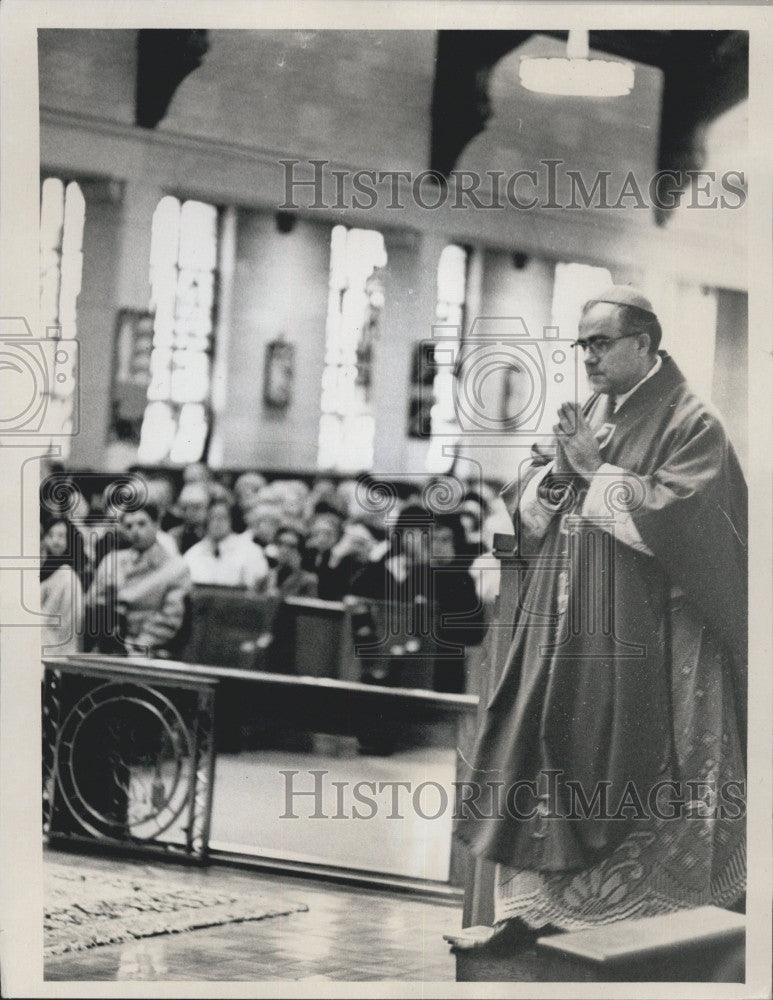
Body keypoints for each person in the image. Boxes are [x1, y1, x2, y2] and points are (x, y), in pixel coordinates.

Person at [446, 286, 747, 951]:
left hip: (661, 642)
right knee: (542, 745)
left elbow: (686, 521)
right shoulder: (590, 409)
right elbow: (531, 500)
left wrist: (596, 472)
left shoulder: (692, 421)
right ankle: (540, 912)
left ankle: (647, 925)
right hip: (570, 625)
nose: (586, 356)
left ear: (644, 344)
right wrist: (557, 475)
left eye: (600, 342)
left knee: (637, 767)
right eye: (581, 343)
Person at [87, 502, 192, 657]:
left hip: (147, 648)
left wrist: (137, 646)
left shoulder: (176, 568)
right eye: (129, 526)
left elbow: (169, 619)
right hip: (107, 643)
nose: (135, 531)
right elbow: (92, 602)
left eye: (142, 524)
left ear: (156, 525)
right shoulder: (112, 560)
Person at [185, 498, 269, 588]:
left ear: (232, 520)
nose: (217, 523)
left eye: (223, 517)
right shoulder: (193, 553)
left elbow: (256, 587)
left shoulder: (251, 551)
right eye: (213, 517)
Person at [40, 513, 86, 655]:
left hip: (55, 649)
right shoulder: (41, 572)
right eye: (50, 535)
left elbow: (70, 624)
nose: (55, 541)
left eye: (61, 536)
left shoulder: (67, 576)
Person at [259, 526, 318, 599]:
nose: (284, 550)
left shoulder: (308, 581)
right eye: (280, 543)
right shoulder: (266, 577)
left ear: (299, 552)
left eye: (291, 546)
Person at [169, 482, 210, 554]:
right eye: (185, 508)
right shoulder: (173, 536)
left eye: (196, 507)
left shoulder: (213, 535)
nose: (190, 512)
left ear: (207, 509)